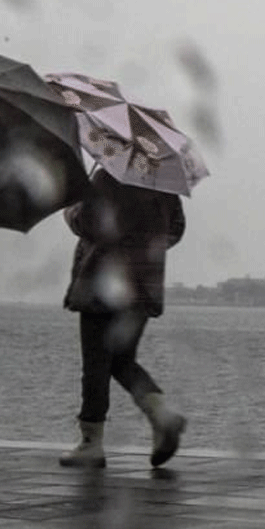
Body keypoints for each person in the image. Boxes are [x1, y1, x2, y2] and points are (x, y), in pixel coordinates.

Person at [59, 167, 186, 469]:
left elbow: (90, 223)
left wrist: (72, 211)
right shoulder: (163, 182)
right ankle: (162, 415)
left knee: (96, 364)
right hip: (143, 287)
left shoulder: (107, 177)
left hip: (103, 285)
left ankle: (91, 443)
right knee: (121, 360)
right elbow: (176, 229)